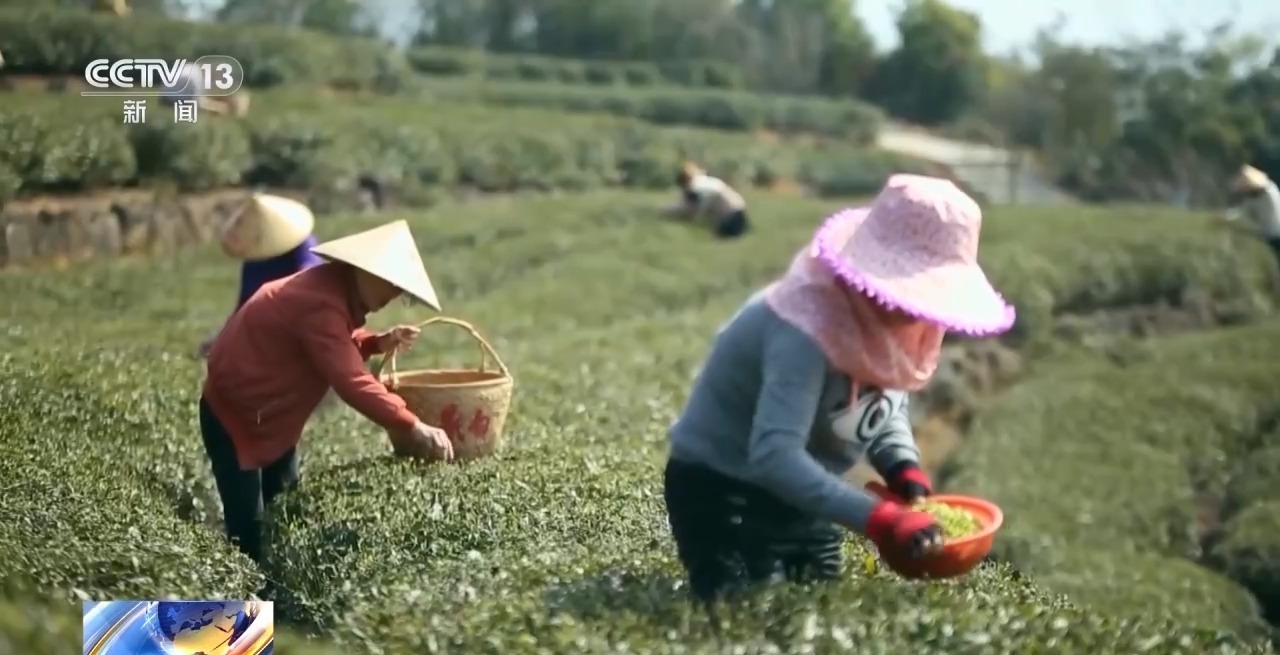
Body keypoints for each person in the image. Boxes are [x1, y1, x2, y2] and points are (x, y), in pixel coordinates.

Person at [663, 174, 1016, 601]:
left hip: (798, 497)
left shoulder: (896, 329)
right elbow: (774, 456)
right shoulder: (803, 329)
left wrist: (901, 465)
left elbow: (883, 405)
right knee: (743, 610)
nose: (913, 310)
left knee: (817, 603)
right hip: (724, 490)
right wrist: (881, 519)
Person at [200, 219, 454, 566]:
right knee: (249, 527)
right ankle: (243, 606)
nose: (393, 294)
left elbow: (336, 343)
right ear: (362, 270)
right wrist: (412, 424)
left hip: (270, 416)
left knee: (284, 504)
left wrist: (380, 341)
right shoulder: (321, 303)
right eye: (390, 282)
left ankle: (277, 590)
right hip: (237, 415)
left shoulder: (329, 289)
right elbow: (351, 379)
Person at [198, 193, 322, 358]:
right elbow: (245, 306)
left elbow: (309, 280)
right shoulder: (254, 259)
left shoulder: (303, 247)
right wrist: (222, 338)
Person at [668, 161, 750, 239]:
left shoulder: (695, 186)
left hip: (730, 218)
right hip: (740, 212)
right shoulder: (706, 180)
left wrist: (696, 217)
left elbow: (698, 205)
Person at [1220, 164, 1280, 267]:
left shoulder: (1266, 195)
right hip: (1269, 233)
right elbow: (1244, 211)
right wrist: (1228, 216)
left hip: (1274, 236)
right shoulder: (1259, 193)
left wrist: (1233, 220)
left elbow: (1267, 221)